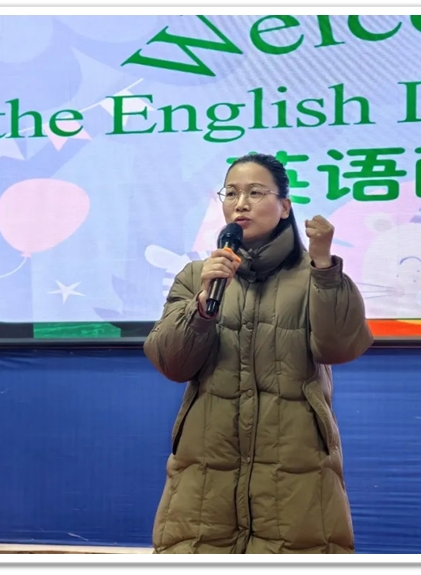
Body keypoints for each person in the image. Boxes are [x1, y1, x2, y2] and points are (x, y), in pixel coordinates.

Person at [143, 153, 373, 554]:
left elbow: (339, 347)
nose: (240, 204)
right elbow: (171, 363)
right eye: (231, 193)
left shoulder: (316, 275)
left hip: (295, 477)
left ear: (285, 206)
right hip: (206, 478)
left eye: (254, 192)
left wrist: (324, 267)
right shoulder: (198, 276)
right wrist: (201, 306)